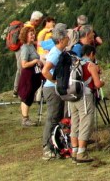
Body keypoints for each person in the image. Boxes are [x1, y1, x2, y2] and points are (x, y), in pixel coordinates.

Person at [69, 44, 104, 163]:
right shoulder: (90, 65)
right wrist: (102, 82)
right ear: (92, 54)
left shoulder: (75, 63)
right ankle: (82, 153)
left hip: (72, 95)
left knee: (75, 123)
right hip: (85, 96)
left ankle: (74, 151)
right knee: (86, 122)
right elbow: (97, 84)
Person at [40, 24, 70, 159]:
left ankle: (57, 144)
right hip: (51, 89)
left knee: (58, 117)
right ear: (61, 39)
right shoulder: (55, 53)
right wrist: (56, 82)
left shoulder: (60, 51)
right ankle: (47, 147)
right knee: (53, 118)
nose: (68, 38)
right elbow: (45, 71)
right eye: (66, 36)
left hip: (54, 88)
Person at [17, 26, 43, 127]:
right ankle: (25, 119)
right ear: (25, 36)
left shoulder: (31, 46)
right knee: (26, 96)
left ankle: (26, 118)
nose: (33, 36)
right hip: (28, 74)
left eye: (33, 34)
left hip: (33, 74)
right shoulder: (25, 48)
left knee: (30, 95)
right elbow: (24, 64)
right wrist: (35, 61)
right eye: (31, 34)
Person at [15, 11, 44, 95]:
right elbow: (24, 64)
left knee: (19, 70)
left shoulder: (26, 24)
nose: (40, 23)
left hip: (20, 50)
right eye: (40, 21)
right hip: (23, 51)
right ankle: (21, 90)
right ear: (36, 20)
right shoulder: (29, 28)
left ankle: (17, 90)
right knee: (22, 69)